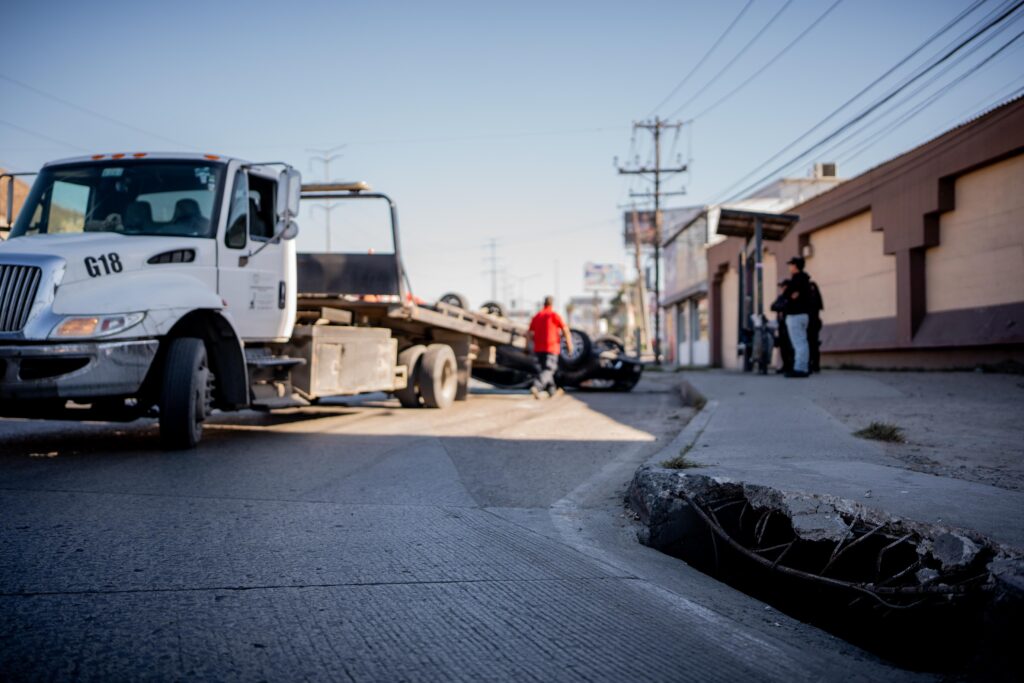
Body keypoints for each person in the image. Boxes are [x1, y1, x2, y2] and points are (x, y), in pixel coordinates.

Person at [527, 296, 574, 398]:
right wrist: (569, 345)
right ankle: (537, 386)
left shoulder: (537, 316)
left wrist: (526, 347)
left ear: (544, 304)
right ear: (552, 304)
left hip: (538, 349)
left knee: (545, 369)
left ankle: (552, 390)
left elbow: (529, 333)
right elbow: (565, 330)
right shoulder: (554, 315)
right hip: (551, 348)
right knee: (549, 369)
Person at [780, 257, 814, 378]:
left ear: (795, 266)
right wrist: (790, 294)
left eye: (790, 264)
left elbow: (787, 293)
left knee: (799, 343)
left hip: (796, 315)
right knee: (802, 342)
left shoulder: (797, 280)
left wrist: (788, 293)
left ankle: (800, 368)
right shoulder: (805, 280)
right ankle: (803, 367)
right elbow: (790, 294)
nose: (789, 267)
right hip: (802, 315)